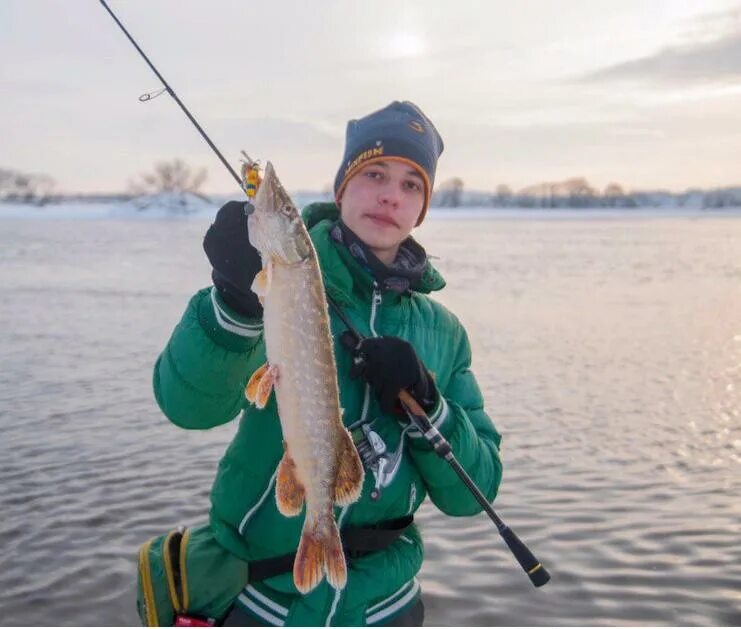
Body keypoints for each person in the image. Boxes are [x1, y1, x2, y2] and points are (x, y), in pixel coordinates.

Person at [151, 101, 503, 627]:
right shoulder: (274, 286)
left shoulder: (443, 333)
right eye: (375, 174)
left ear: (422, 207)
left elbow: (473, 493)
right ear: (341, 188)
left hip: (386, 607)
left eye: (412, 185)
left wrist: (428, 402)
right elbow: (188, 408)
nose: (391, 194)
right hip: (264, 600)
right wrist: (234, 299)